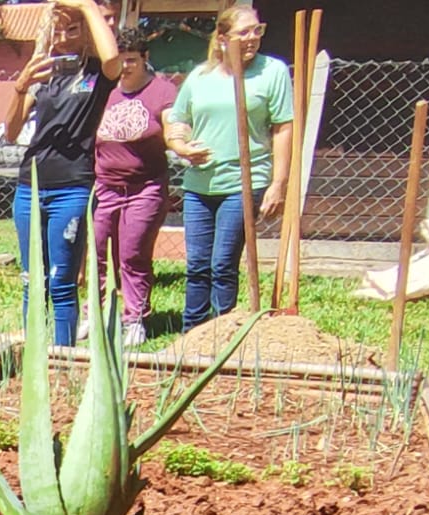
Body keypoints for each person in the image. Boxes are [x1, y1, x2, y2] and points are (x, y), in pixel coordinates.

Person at [165, 4, 293, 331]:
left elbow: (283, 128)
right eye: (244, 32)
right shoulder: (201, 76)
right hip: (199, 184)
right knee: (197, 265)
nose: (252, 38)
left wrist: (279, 183)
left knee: (222, 263)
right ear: (222, 38)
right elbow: (178, 120)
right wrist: (181, 147)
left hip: (243, 181)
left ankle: (224, 332)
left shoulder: (272, 72)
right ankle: (191, 335)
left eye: (257, 30)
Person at [4, 0, 121, 345]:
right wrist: (20, 86)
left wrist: (86, 5)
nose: (64, 37)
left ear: (85, 30)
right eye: (58, 28)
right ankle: (33, 356)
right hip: (30, 185)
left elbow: (113, 57)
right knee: (32, 279)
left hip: (71, 187)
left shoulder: (97, 72)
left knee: (61, 280)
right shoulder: (44, 72)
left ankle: (64, 356)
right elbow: (11, 132)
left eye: (73, 29)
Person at [92, 25, 178, 347]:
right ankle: (96, 313)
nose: (124, 67)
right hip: (105, 187)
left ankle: (135, 317)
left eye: (131, 60)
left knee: (132, 254)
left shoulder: (162, 91)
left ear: (145, 58)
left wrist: (180, 140)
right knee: (97, 252)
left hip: (144, 188)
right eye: (120, 60)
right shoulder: (107, 91)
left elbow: (171, 125)